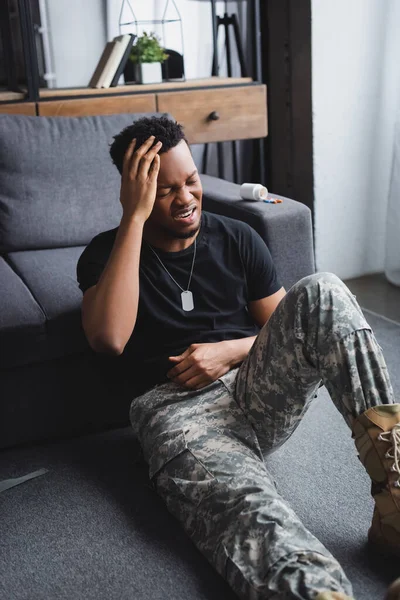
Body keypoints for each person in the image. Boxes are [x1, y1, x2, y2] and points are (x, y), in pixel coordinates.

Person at [77, 116, 400, 600]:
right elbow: (108, 338)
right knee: (252, 512)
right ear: (135, 192)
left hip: (255, 386)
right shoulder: (108, 253)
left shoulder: (237, 237)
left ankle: (396, 500)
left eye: (190, 180)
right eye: (164, 190)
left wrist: (229, 351)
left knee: (323, 289)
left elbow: (294, 325)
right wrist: (133, 220)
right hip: (177, 413)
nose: (186, 198)